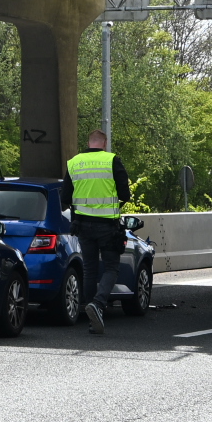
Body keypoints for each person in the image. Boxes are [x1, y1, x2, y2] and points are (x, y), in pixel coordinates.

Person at [65, 129, 129, 335]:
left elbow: (65, 196)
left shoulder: (73, 162)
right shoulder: (111, 160)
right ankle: (99, 305)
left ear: (88, 142)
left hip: (83, 225)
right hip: (107, 226)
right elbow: (125, 194)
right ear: (104, 143)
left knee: (89, 270)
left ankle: (92, 319)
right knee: (111, 268)